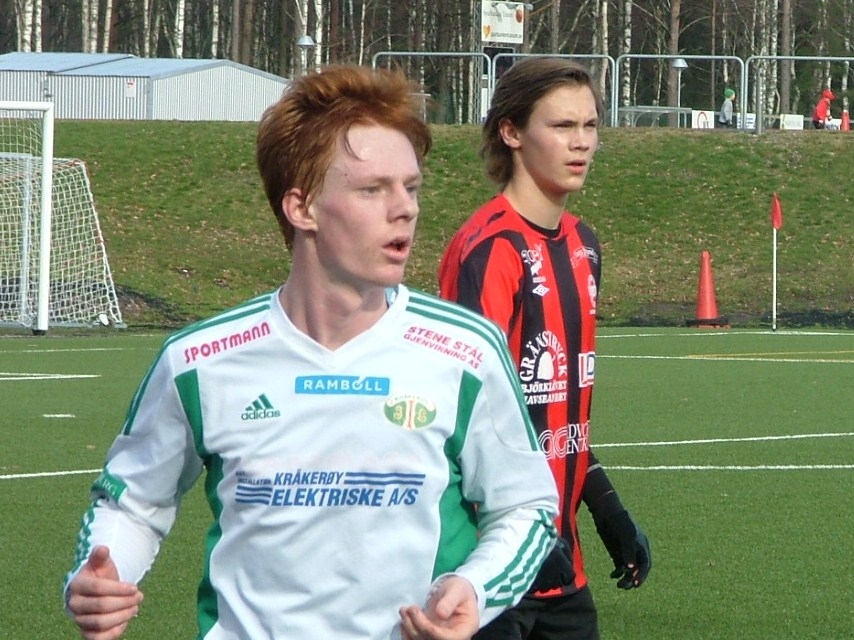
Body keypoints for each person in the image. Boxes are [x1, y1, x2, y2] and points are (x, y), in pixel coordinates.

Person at [63, 63, 560, 640]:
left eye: (411, 187)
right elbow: (131, 503)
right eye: (373, 189)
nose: (405, 208)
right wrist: (99, 575)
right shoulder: (200, 360)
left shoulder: (465, 351)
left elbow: (527, 506)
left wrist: (475, 588)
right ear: (302, 208)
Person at [438, 57, 652, 640]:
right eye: (561, 126)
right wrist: (524, 534)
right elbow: (469, 416)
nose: (581, 142)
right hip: (488, 575)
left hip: (563, 570)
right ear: (511, 132)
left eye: (590, 125)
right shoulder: (490, 250)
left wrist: (605, 506)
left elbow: (556, 414)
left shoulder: (584, 245)